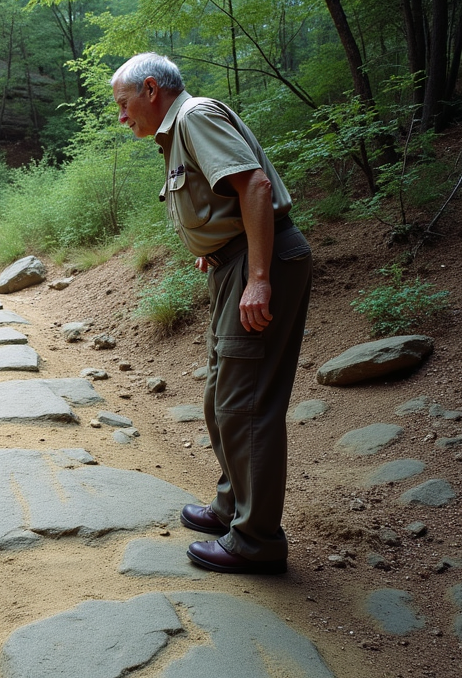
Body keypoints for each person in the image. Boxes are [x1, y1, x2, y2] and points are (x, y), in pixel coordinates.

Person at [111, 52, 312, 574]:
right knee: (221, 395)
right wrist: (214, 245)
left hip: (257, 264)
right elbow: (223, 198)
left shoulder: (194, 116)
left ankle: (256, 540)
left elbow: (256, 187)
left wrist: (259, 278)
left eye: (123, 102)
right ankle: (231, 508)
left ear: (150, 89)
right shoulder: (177, 132)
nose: (121, 114)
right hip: (234, 263)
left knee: (246, 405)